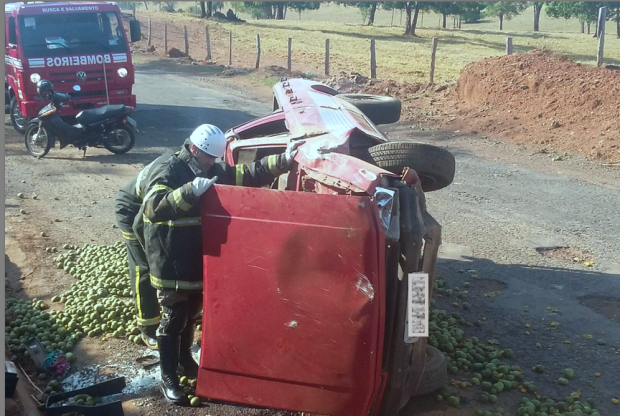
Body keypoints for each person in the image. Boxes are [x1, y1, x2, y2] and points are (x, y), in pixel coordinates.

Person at [133, 124, 303, 405]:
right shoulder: (169, 169)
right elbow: (154, 208)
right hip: (170, 257)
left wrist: (282, 161)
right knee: (173, 316)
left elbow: (246, 174)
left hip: (195, 255)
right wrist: (189, 191)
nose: (212, 162)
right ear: (194, 149)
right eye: (208, 157)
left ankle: (185, 360)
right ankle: (168, 378)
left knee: (190, 312)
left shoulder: (210, 168)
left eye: (215, 158)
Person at [114, 151, 177, 350]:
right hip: (132, 212)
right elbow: (140, 224)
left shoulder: (191, 164)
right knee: (145, 267)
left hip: (152, 212)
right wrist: (153, 253)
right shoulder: (167, 173)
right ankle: (148, 328)